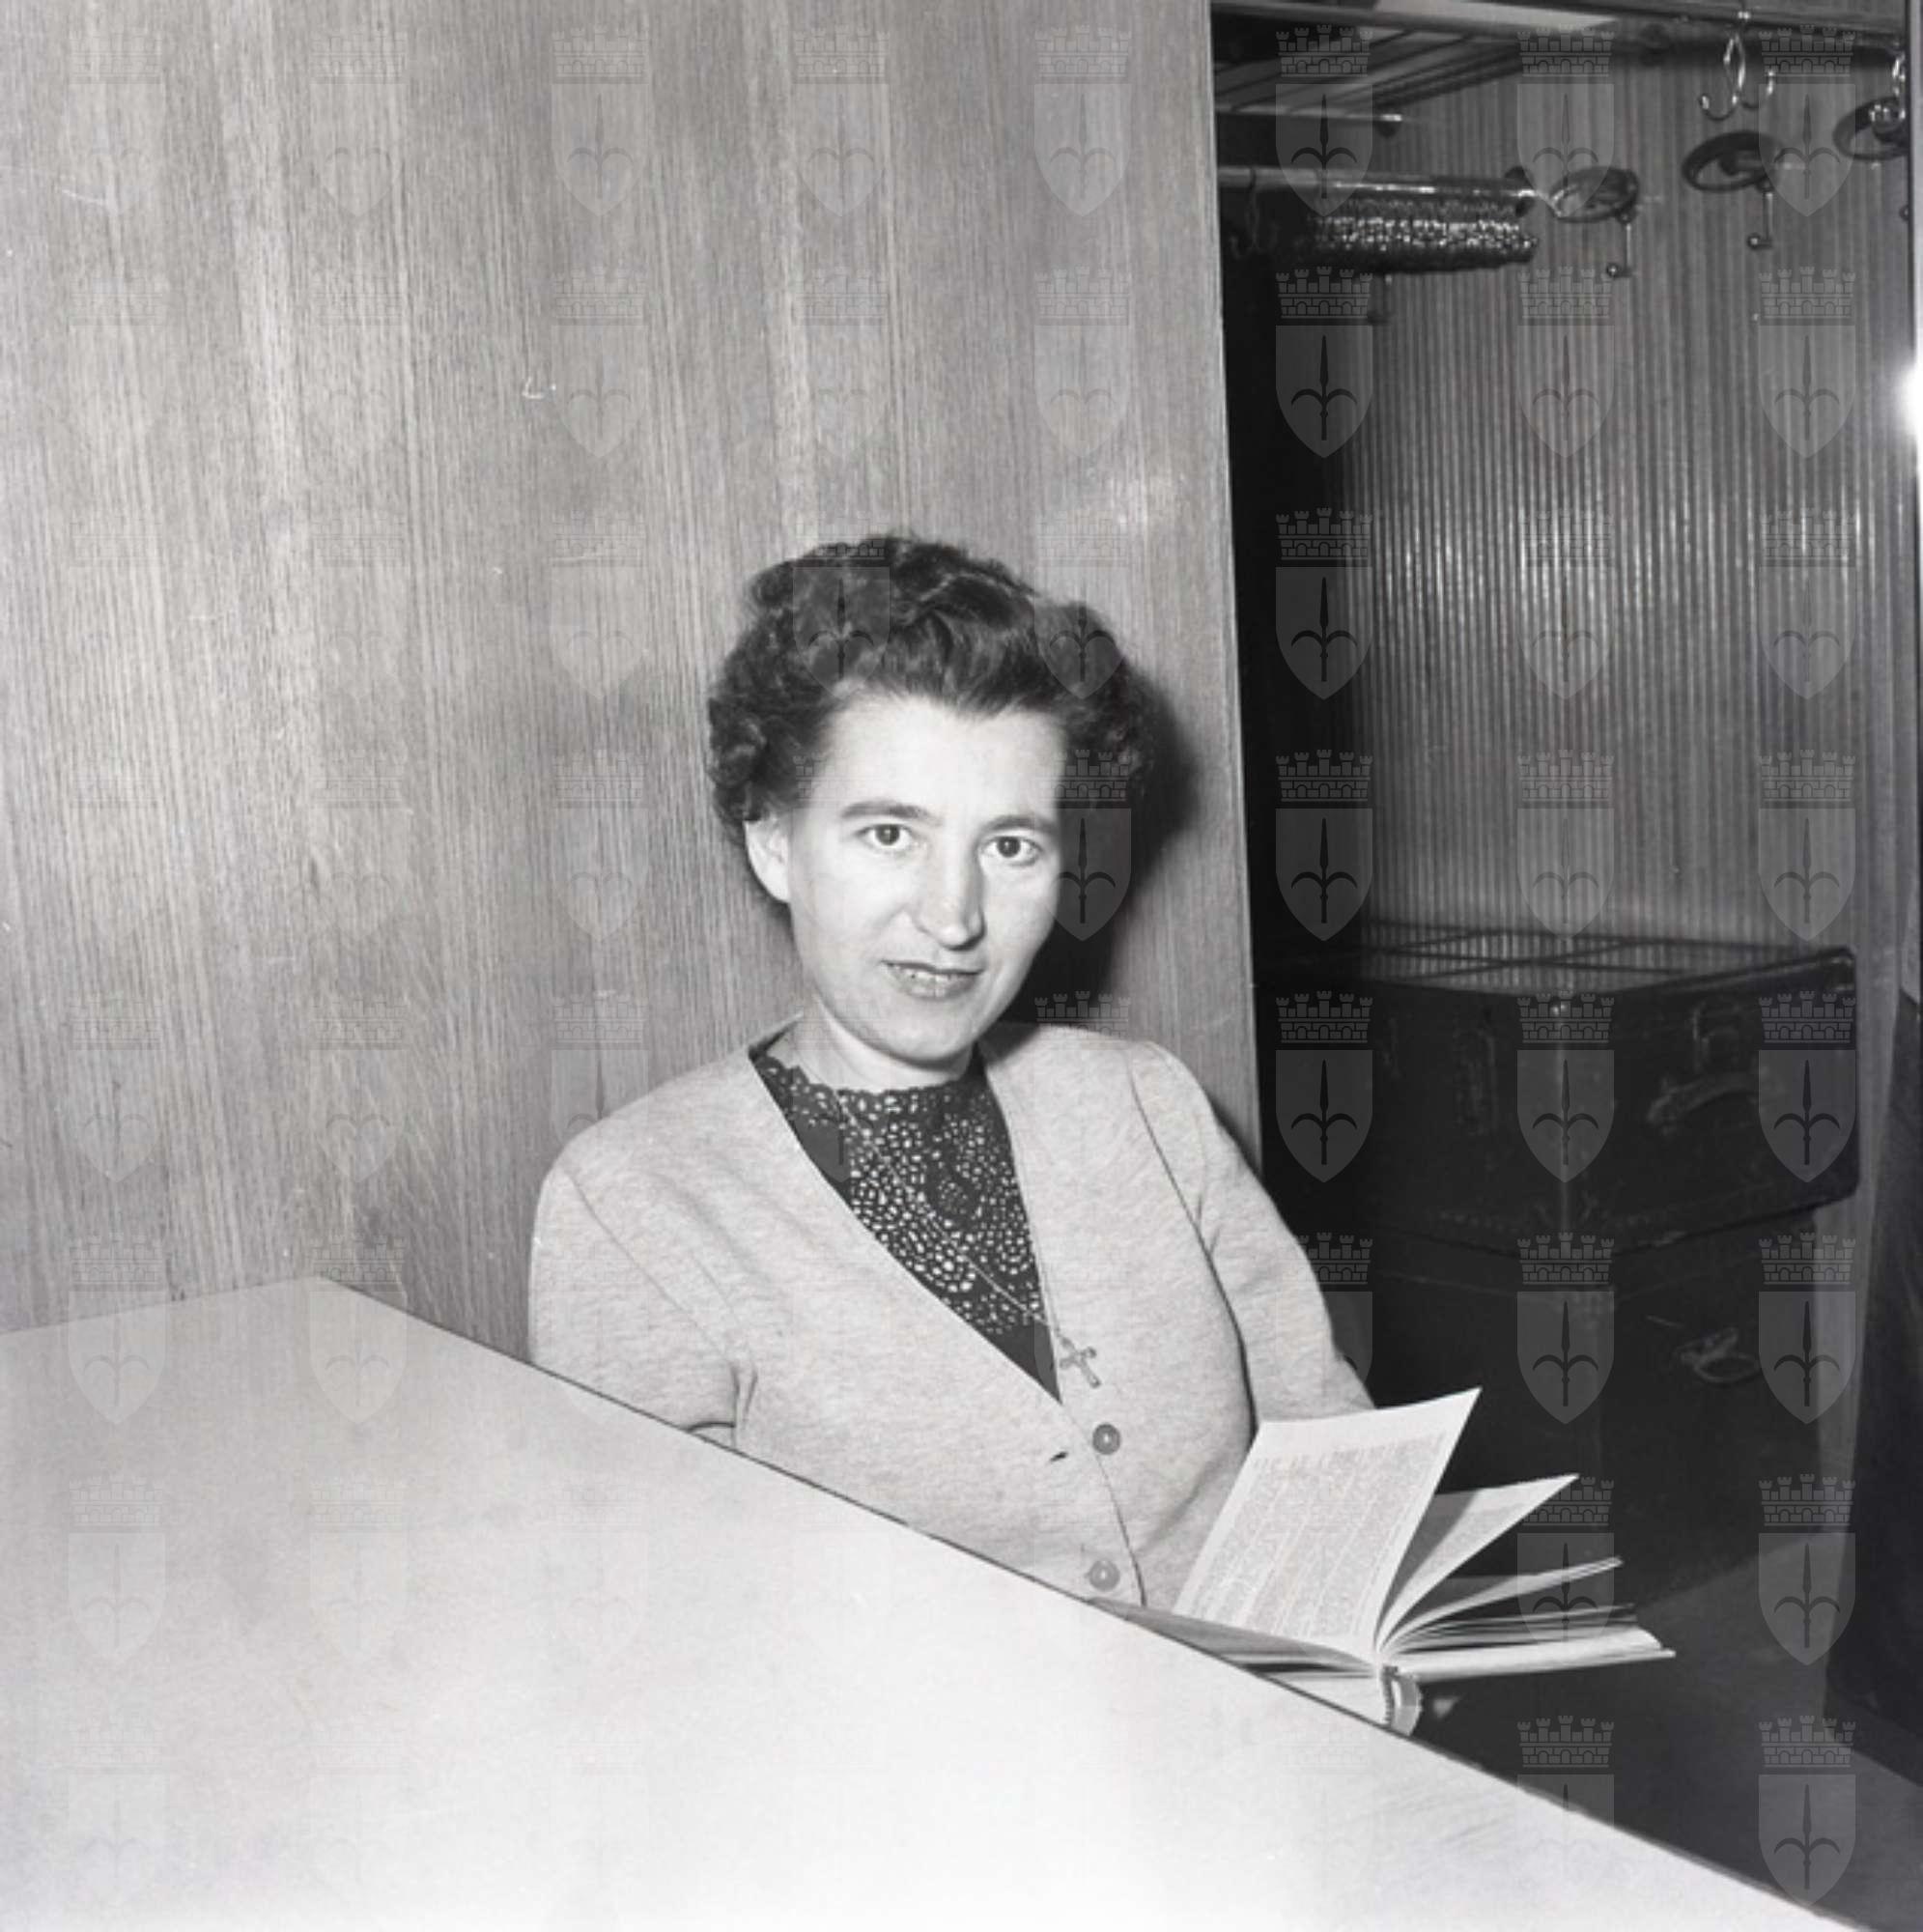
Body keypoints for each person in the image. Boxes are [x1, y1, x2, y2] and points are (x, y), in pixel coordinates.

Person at [526, 532, 1370, 1612]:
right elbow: (660, 1625)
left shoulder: (1147, 1104)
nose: (954, 915)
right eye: (890, 833)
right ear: (774, 843)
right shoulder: (631, 1200)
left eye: (1010, 845)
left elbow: (1328, 1455)